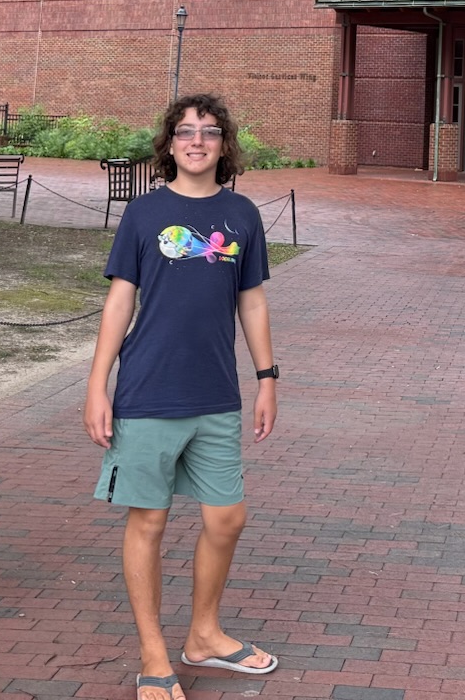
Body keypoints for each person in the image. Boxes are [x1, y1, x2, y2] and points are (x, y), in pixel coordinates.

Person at [85, 93, 280, 700]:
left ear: (224, 145)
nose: (198, 141)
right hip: (148, 390)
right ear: (169, 144)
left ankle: (204, 635)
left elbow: (252, 301)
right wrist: (97, 385)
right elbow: (120, 301)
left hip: (216, 391)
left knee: (227, 517)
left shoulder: (242, 215)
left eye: (210, 131)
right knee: (149, 520)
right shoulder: (144, 214)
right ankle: (153, 655)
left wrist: (267, 377)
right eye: (187, 132)